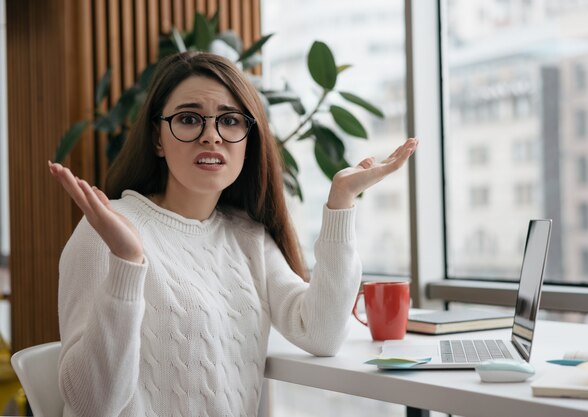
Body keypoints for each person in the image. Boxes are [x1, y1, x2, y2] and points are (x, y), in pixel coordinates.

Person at [48, 51, 417, 417]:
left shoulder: (247, 236)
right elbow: (91, 406)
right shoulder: (106, 231)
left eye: (230, 121)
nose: (212, 136)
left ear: (247, 138)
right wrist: (127, 262)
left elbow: (321, 333)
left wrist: (341, 202)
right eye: (190, 119)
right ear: (157, 138)